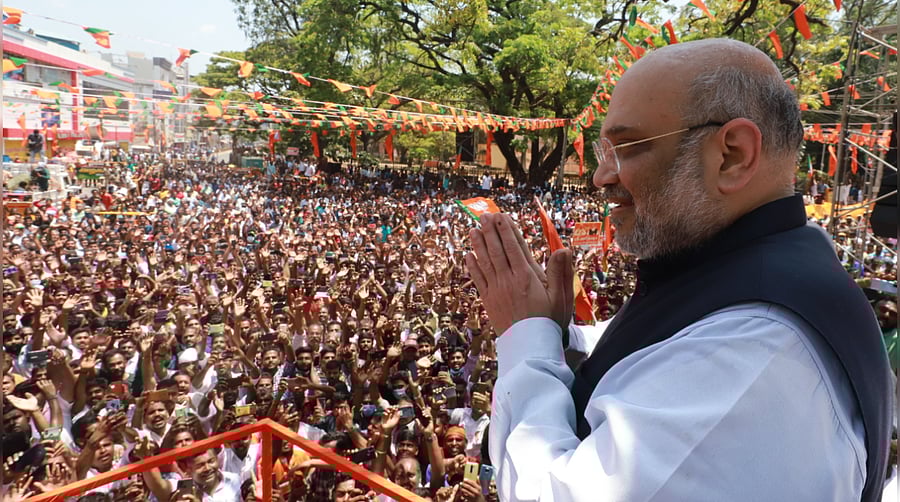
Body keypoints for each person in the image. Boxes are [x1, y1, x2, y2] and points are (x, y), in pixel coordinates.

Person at [465, 38, 892, 501]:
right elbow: (665, 351)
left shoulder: (755, 349)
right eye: (603, 152)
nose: (601, 178)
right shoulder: (754, 276)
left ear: (732, 154)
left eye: (628, 148)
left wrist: (526, 339)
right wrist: (559, 333)